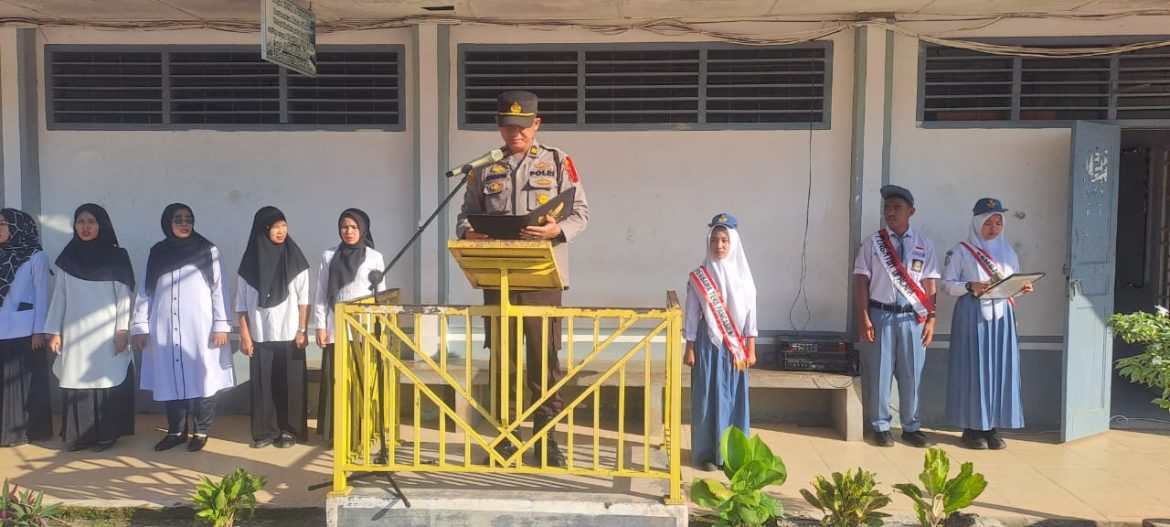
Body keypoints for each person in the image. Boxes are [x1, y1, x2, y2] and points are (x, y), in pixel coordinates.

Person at [456, 90, 590, 468]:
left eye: (522, 126)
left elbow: (580, 213)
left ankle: (547, 440)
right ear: (499, 126)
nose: (515, 133)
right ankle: (506, 436)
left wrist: (556, 231)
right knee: (503, 361)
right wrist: (468, 232)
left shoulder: (559, 162)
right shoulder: (483, 168)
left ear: (536, 124)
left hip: (541, 277)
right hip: (497, 274)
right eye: (508, 126)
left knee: (543, 360)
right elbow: (466, 214)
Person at [132, 203, 233, 453]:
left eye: (188, 219)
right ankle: (176, 431)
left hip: (200, 328)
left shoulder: (208, 250)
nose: (184, 223)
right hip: (164, 327)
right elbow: (146, 290)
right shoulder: (157, 252)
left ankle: (201, 430)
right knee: (170, 379)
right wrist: (140, 326)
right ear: (168, 222)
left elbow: (219, 289)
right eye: (178, 219)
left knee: (203, 378)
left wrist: (221, 325)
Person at [941, 198, 1033, 450]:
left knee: (999, 369)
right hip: (973, 315)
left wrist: (1023, 289)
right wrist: (970, 286)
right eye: (988, 222)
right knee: (974, 368)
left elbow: (1009, 288)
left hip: (1002, 317)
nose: (993, 227)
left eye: (998, 222)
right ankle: (971, 428)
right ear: (976, 223)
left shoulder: (1008, 253)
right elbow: (947, 285)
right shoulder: (960, 251)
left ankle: (992, 427)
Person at [44, 204, 137, 452]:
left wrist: (122, 331)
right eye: (80, 221)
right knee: (75, 381)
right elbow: (59, 297)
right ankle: (78, 437)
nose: (86, 227)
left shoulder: (117, 256)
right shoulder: (68, 257)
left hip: (105, 333)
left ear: (102, 225)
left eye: (92, 222)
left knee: (105, 382)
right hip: (74, 332)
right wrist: (54, 330)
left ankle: (106, 436)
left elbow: (124, 297)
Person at [853, 185, 939, 448]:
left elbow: (929, 284)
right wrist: (864, 317)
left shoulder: (924, 244)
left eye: (897, 208)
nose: (890, 213)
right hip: (881, 316)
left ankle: (911, 426)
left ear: (911, 211)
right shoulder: (873, 244)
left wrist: (932, 319)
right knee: (879, 373)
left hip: (913, 319)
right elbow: (861, 282)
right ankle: (880, 425)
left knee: (912, 373)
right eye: (887, 208)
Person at [683, 213, 757, 472]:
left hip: (735, 347)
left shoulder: (745, 279)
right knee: (706, 396)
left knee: (734, 398)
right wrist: (689, 347)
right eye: (714, 240)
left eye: (725, 240)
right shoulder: (699, 277)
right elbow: (691, 314)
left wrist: (751, 347)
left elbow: (751, 316)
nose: (719, 245)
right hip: (708, 343)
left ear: (733, 242)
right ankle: (706, 453)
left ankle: (732, 455)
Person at [236, 206, 310, 449]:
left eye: (284, 225)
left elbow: (304, 299)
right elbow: (241, 303)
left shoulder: (296, 259)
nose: (281, 231)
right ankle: (265, 432)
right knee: (263, 384)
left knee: (290, 383)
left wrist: (302, 330)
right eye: (275, 226)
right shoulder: (249, 264)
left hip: (290, 335)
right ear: (263, 229)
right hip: (260, 334)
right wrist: (245, 336)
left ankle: (289, 430)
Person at [312, 208, 385, 445]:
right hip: (336, 328)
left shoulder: (374, 257)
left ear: (363, 229)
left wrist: (379, 327)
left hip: (363, 330)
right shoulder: (329, 255)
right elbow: (322, 293)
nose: (349, 231)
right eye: (344, 226)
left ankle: (361, 431)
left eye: (354, 227)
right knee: (337, 380)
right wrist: (320, 326)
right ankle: (336, 433)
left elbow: (381, 295)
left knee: (362, 381)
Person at [0, 209, 52, 447]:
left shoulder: (36, 256)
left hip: (25, 331)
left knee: (24, 384)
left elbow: (42, 295)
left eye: (3, 224)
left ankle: (27, 431)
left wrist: (39, 331)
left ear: (18, 226)